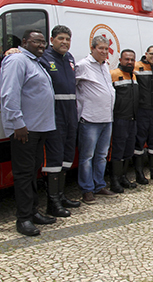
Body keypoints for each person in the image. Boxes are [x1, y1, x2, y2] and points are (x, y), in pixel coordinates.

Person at [1, 29, 57, 236]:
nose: (41, 45)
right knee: (24, 175)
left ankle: (33, 211)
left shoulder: (35, 62)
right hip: (25, 130)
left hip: (39, 127)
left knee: (33, 172)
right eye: (36, 42)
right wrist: (18, 123)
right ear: (24, 42)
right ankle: (23, 219)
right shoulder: (17, 60)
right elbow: (9, 93)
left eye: (43, 42)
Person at [38, 25, 81, 217]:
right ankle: (52, 202)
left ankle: (61, 196)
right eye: (61, 38)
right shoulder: (44, 58)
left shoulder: (69, 58)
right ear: (52, 39)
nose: (65, 42)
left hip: (70, 113)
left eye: (68, 39)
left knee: (67, 156)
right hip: (54, 115)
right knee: (54, 159)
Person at [75, 35, 117, 204]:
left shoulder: (105, 65)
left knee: (101, 155)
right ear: (92, 48)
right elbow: (72, 86)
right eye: (101, 48)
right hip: (90, 119)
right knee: (87, 157)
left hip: (107, 118)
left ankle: (99, 185)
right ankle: (87, 189)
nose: (104, 52)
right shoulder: (83, 65)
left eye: (106, 49)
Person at [134, 46, 153, 183]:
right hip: (141, 110)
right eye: (152, 54)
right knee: (139, 142)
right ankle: (139, 173)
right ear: (146, 54)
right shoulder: (137, 67)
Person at [110, 49, 140, 192]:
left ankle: (123, 178)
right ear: (120, 60)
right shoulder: (114, 74)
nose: (129, 62)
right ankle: (115, 181)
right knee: (118, 150)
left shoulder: (134, 76)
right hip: (120, 119)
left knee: (128, 150)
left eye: (132, 60)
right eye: (127, 59)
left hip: (132, 119)